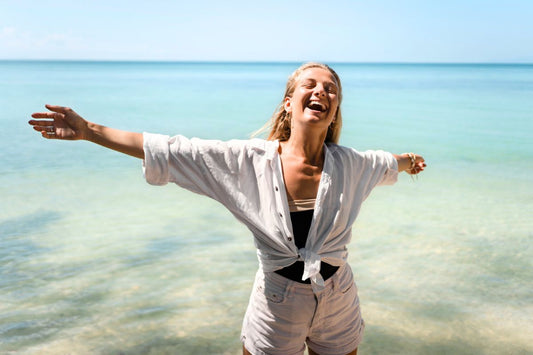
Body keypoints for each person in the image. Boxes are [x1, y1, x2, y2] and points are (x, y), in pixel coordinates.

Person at [28, 62, 426, 355]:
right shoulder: (247, 162)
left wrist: (410, 160)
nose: (322, 91)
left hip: (338, 295)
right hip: (278, 303)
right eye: (311, 84)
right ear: (289, 103)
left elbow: (387, 162)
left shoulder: (352, 163)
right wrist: (89, 131)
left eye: (331, 88)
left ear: (335, 110)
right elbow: (172, 150)